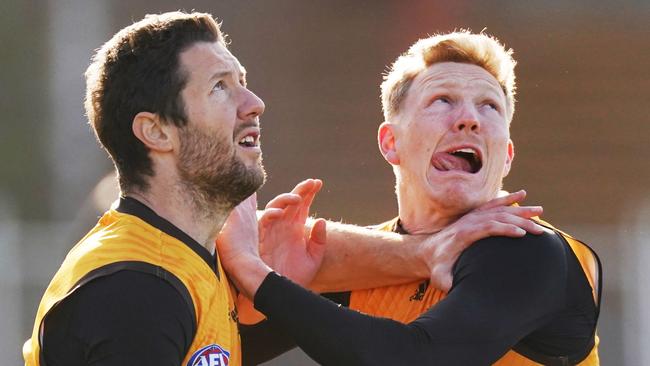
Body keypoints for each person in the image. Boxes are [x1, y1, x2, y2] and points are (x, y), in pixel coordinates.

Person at [23, 13, 543, 366]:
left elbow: (317, 281)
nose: (254, 102)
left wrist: (422, 253)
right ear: (157, 132)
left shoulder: (189, 266)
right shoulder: (136, 288)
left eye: (242, 79)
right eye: (220, 87)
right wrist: (261, 276)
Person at [218, 31, 602, 365]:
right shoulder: (371, 262)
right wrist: (261, 303)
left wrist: (254, 272)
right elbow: (216, 353)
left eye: (489, 106)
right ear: (390, 143)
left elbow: (414, 358)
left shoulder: (527, 248)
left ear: (506, 156)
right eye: (442, 100)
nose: (469, 119)